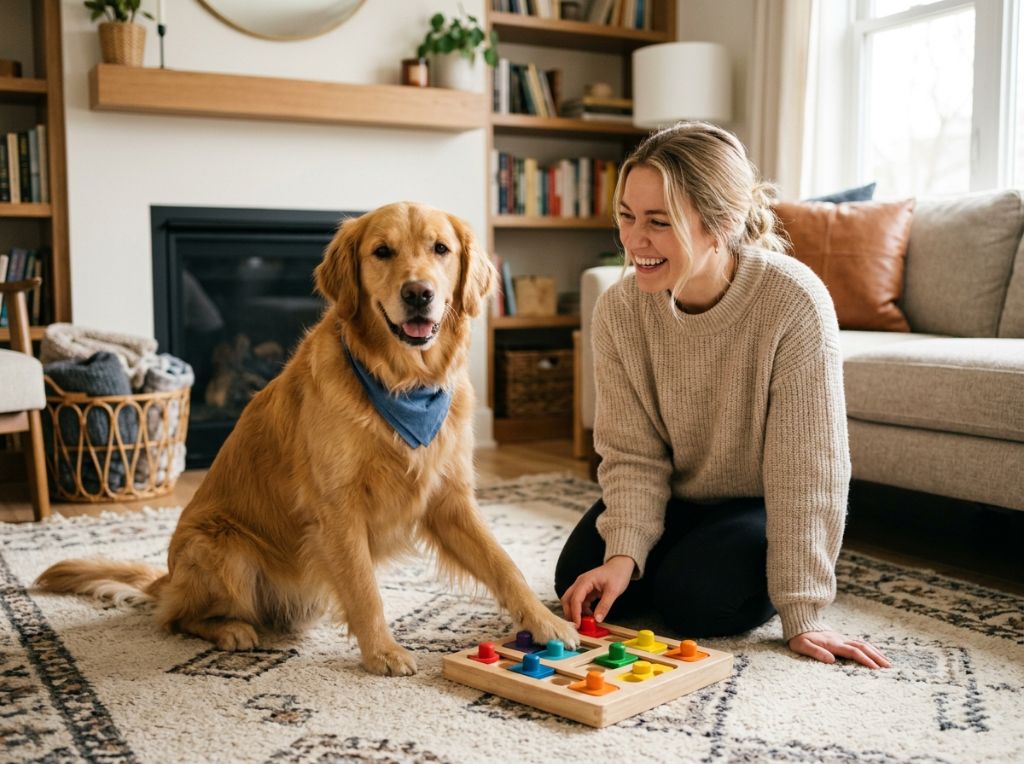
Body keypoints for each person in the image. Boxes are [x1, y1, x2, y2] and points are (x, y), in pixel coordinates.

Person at [556, 121, 890, 669]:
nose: (633, 240)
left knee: (698, 602)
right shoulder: (619, 310)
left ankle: (716, 569)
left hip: (756, 502)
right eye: (626, 216)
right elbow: (632, 452)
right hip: (678, 495)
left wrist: (802, 612)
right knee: (579, 579)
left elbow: (807, 468)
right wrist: (623, 553)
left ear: (723, 224)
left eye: (658, 222)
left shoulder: (793, 301)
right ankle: (654, 560)